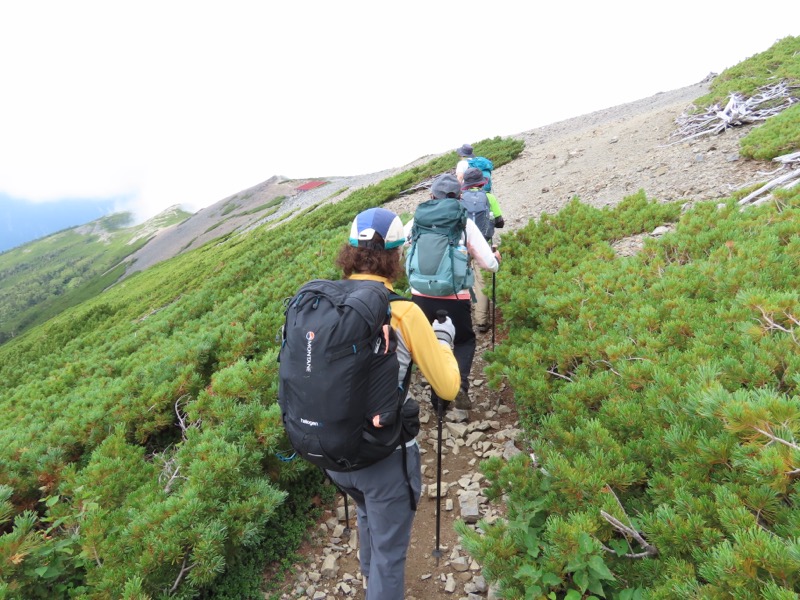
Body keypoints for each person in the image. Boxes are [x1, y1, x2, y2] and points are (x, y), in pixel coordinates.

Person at [327, 207, 461, 600]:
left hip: (332, 453)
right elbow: (448, 386)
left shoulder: (325, 301)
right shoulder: (402, 312)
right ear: (396, 255)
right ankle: (378, 586)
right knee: (390, 553)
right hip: (383, 455)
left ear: (350, 252)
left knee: (368, 511)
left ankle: (369, 580)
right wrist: (443, 340)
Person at [404, 173, 501, 411]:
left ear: (431, 196)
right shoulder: (464, 223)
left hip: (419, 294)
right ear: (459, 197)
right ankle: (459, 387)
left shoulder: (417, 220)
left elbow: (400, 241)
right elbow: (489, 265)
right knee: (464, 340)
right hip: (455, 296)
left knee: (427, 341)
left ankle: (435, 393)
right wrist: (496, 258)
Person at [461, 166, 506, 333]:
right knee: (482, 282)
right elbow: (500, 222)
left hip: (462, 245)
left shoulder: (459, 199)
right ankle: (481, 321)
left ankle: (462, 317)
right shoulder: (489, 197)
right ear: (482, 183)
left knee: (461, 279)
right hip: (483, 245)